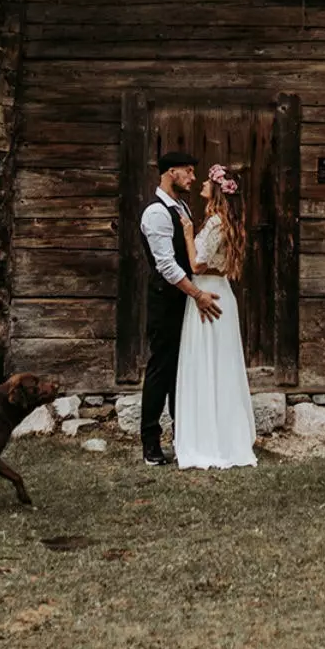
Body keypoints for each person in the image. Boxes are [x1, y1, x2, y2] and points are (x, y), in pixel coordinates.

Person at [174, 163, 258, 468]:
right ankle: (225, 435)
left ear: (218, 191)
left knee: (205, 363)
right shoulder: (228, 223)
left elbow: (196, 265)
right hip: (222, 292)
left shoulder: (214, 223)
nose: (201, 187)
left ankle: (208, 440)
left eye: (207, 183)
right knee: (220, 366)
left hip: (207, 295)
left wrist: (186, 233)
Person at [139, 150, 220, 467]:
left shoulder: (182, 207)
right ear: (171, 172)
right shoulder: (156, 213)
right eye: (187, 171)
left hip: (183, 301)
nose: (192, 177)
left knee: (180, 370)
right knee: (160, 370)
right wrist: (198, 294)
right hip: (166, 302)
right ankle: (150, 442)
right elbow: (168, 267)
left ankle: (182, 436)